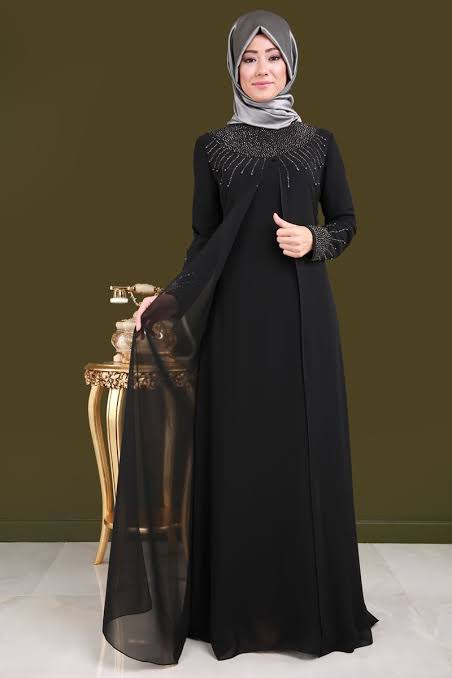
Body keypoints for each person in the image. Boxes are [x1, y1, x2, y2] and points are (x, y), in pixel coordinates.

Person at [102, 9, 379, 666]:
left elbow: (346, 220)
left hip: (305, 323)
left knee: (303, 454)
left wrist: (315, 240)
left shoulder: (320, 143)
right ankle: (236, 610)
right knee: (242, 458)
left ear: (291, 64)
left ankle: (308, 609)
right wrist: (166, 300)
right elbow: (205, 239)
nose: (262, 69)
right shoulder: (212, 147)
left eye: (273, 56)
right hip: (237, 327)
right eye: (249, 58)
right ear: (233, 67)